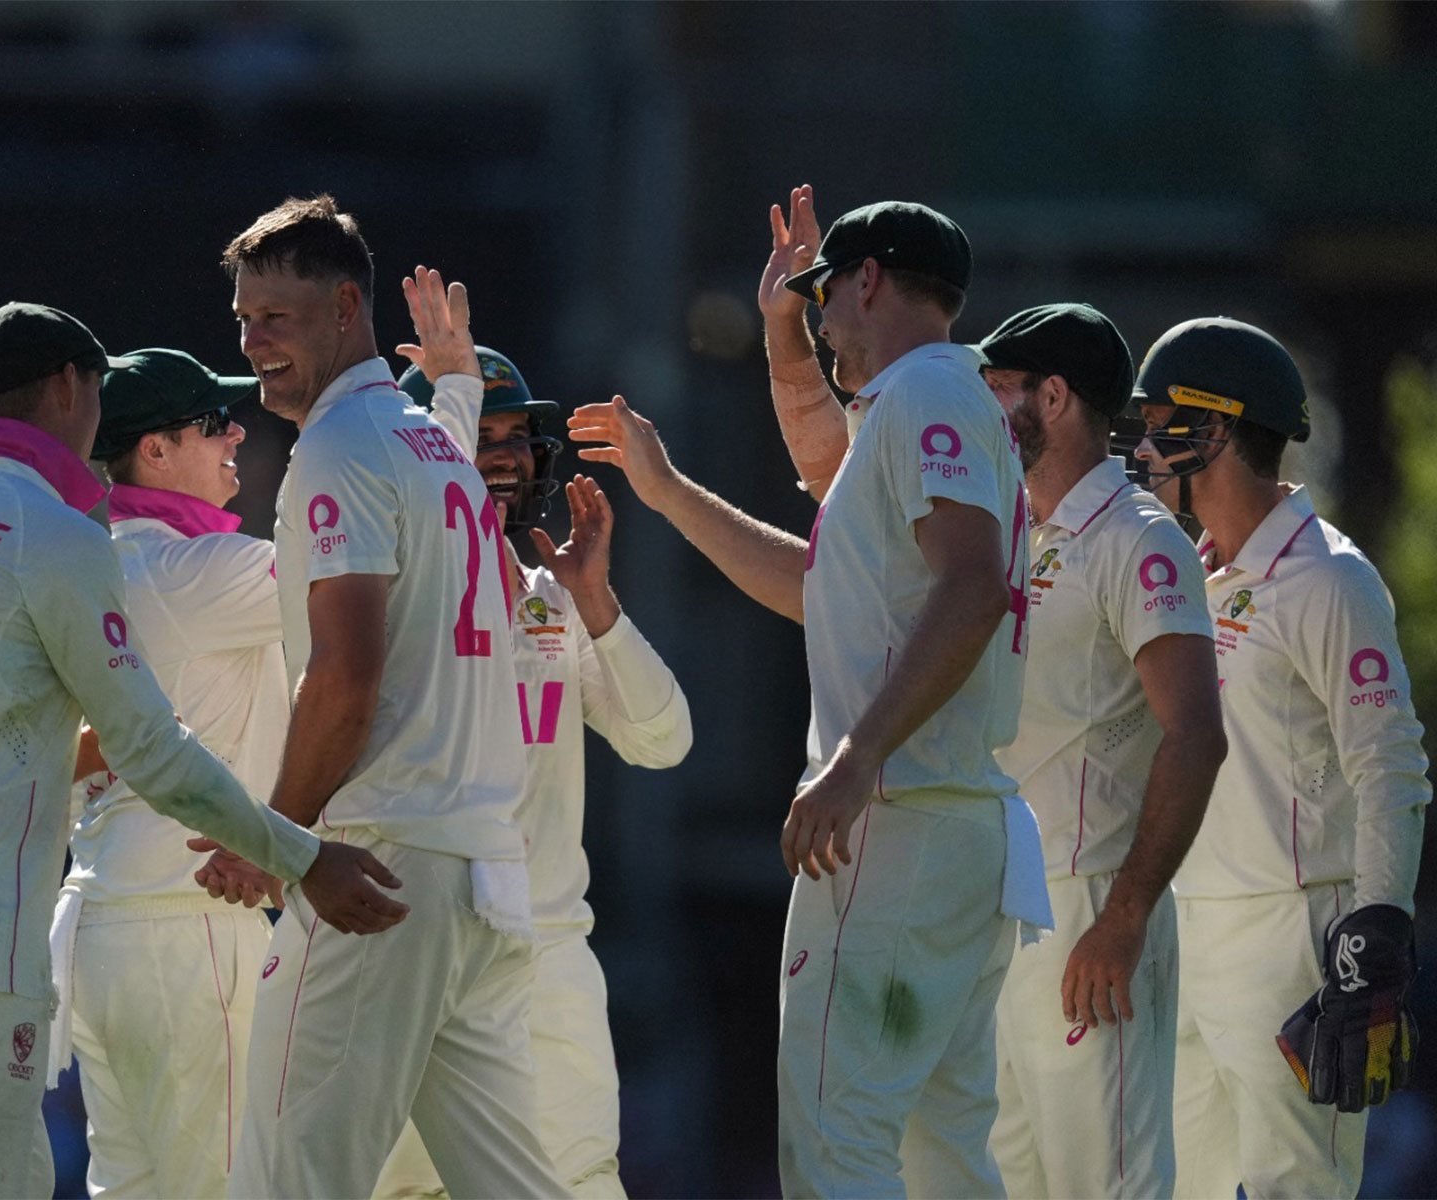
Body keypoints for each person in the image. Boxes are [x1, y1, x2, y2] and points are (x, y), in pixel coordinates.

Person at [0, 302, 394, 1199]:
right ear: (70, 387)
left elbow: (34, 743)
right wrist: (300, 855)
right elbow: (156, 751)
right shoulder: (56, 537)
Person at [570, 199, 1049, 1197]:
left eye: (824, 297)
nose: (823, 322)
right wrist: (669, 491)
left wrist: (854, 758)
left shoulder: (926, 393)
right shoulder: (923, 404)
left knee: (839, 1136)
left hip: (899, 825)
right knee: (939, 1151)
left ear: (867, 280)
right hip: (949, 828)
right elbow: (821, 573)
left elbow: (971, 589)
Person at [218, 195, 567, 1198]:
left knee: (286, 1181)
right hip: (470, 872)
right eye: (243, 321)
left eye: (274, 319)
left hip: (377, 866)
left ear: (342, 310)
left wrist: (273, 837)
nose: (253, 343)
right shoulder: (429, 447)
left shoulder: (341, 446)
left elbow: (346, 673)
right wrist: (454, 385)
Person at [376, 283, 692, 1198]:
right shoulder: (385, 585)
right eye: (482, 439)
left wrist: (597, 609)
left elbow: (663, 740)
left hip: (550, 954)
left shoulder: (549, 595)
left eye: (517, 441)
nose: (505, 461)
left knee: (581, 1182)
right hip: (423, 946)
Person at [1130, 317, 1428, 1199]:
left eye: (1159, 424)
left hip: (1296, 938)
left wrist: (1378, 928)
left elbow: (1391, 766)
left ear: (1215, 427)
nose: (1144, 450)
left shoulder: (1330, 578)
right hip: (1192, 933)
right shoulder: (1194, 579)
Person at [975, 305, 1226, 1197]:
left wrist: (1123, 920)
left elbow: (1197, 734)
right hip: (1003, 912)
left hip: (1092, 915)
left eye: (998, 387)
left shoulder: (1141, 539)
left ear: (1055, 396)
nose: (982, 407)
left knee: (1108, 1184)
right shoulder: (1009, 535)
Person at [45, 348, 284, 1198]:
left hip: (99, 927)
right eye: (213, 423)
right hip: (190, 922)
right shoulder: (202, 570)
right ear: (153, 450)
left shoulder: (84, 565)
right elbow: (376, 581)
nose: (237, 434)